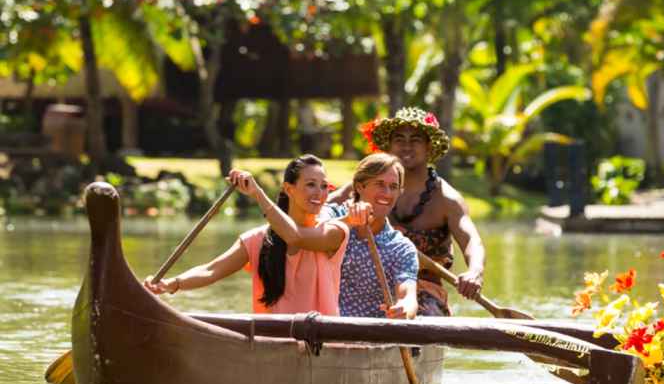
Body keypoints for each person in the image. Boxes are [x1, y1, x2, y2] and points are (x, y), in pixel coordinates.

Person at [144, 154, 359, 315]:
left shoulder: (334, 231)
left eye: (324, 187)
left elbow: (295, 237)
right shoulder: (257, 239)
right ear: (288, 189)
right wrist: (171, 284)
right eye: (310, 185)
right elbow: (211, 270)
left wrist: (258, 194)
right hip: (273, 346)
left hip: (323, 347)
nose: (319, 194)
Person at [332, 107, 486, 316]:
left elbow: (471, 241)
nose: (406, 146)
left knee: (420, 314)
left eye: (415, 140)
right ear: (389, 146)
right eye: (399, 139)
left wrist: (475, 272)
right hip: (362, 284)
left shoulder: (447, 199)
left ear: (428, 147)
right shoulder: (364, 187)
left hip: (422, 291)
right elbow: (319, 209)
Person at [332, 152, 420, 319]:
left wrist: (404, 309)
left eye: (393, 187)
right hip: (320, 332)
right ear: (359, 186)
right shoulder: (332, 216)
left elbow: (408, 296)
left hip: (370, 338)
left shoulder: (401, 247)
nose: (387, 193)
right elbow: (304, 230)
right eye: (380, 184)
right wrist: (348, 220)